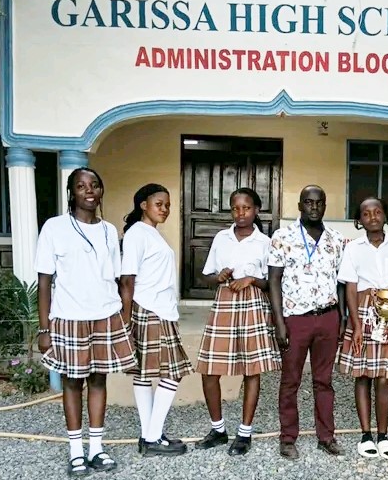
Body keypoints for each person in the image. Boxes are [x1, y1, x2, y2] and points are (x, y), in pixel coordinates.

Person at [36, 167, 136, 477]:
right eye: (81, 186)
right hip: (69, 317)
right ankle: (75, 451)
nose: (88, 190)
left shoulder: (108, 231)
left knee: (98, 380)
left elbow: (118, 279)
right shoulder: (54, 228)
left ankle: (96, 448)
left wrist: (123, 315)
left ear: (101, 190)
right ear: (72, 192)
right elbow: (44, 282)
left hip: (105, 316)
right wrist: (44, 328)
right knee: (72, 382)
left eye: (94, 185)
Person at [195, 188, 280, 456]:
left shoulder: (265, 242)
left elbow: (272, 282)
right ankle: (218, 429)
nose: (240, 213)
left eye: (246, 208)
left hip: (253, 304)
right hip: (224, 304)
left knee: (251, 369)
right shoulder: (222, 238)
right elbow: (205, 276)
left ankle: (245, 432)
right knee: (209, 370)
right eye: (235, 208)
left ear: (256, 210)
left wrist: (252, 279)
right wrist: (218, 277)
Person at [268, 186, 345, 459]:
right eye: (309, 202)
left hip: (327, 318)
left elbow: (341, 283)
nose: (314, 207)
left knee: (324, 381)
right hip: (295, 320)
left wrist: (343, 318)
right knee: (291, 381)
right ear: (300, 205)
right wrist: (279, 322)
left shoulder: (336, 240)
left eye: (319, 202)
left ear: (325, 206)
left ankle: (326, 436)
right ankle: (288, 437)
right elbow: (273, 281)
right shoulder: (282, 236)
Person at [338, 197, 388, 460]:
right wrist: (356, 324)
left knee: (384, 377)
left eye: (378, 211)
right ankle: (365, 435)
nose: (372, 217)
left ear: (386, 216)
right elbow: (349, 287)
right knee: (363, 375)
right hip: (362, 311)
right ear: (359, 221)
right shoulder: (353, 249)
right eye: (366, 213)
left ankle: (383, 435)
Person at [120, 183, 192, 457]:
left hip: (159, 309)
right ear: (143, 205)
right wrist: (126, 321)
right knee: (172, 373)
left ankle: (149, 435)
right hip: (149, 309)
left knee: (145, 374)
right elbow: (127, 279)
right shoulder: (138, 233)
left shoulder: (150, 233)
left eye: (168, 205)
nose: (165, 209)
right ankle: (152, 437)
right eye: (159, 204)